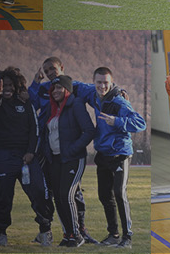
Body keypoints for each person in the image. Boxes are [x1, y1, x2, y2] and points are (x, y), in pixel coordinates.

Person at [0, 67, 56, 246]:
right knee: (2, 197)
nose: (6, 88)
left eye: (10, 85)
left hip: (26, 157)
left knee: (39, 191)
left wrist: (31, 151)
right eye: (2, 85)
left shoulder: (24, 102)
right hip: (2, 157)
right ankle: (1, 232)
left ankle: (45, 230)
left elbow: (34, 129)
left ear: (16, 86)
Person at [91, 67, 147, 247]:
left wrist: (117, 121)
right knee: (104, 195)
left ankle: (127, 237)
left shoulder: (119, 102)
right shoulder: (95, 97)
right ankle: (113, 234)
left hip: (120, 154)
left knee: (118, 193)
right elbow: (76, 86)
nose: (102, 86)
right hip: (103, 154)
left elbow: (140, 123)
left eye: (106, 83)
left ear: (112, 82)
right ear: (94, 82)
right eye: (99, 82)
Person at [40, 75, 96, 247]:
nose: (55, 91)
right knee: (58, 197)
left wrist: (73, 149)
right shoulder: (51, 108)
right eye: (53, 88)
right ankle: (68, 235)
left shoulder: (76, 104)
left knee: (67, 195)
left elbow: (89, 131)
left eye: (59, 88)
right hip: (55, 160)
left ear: (67, 89)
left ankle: (77, 235)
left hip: (73, 158)